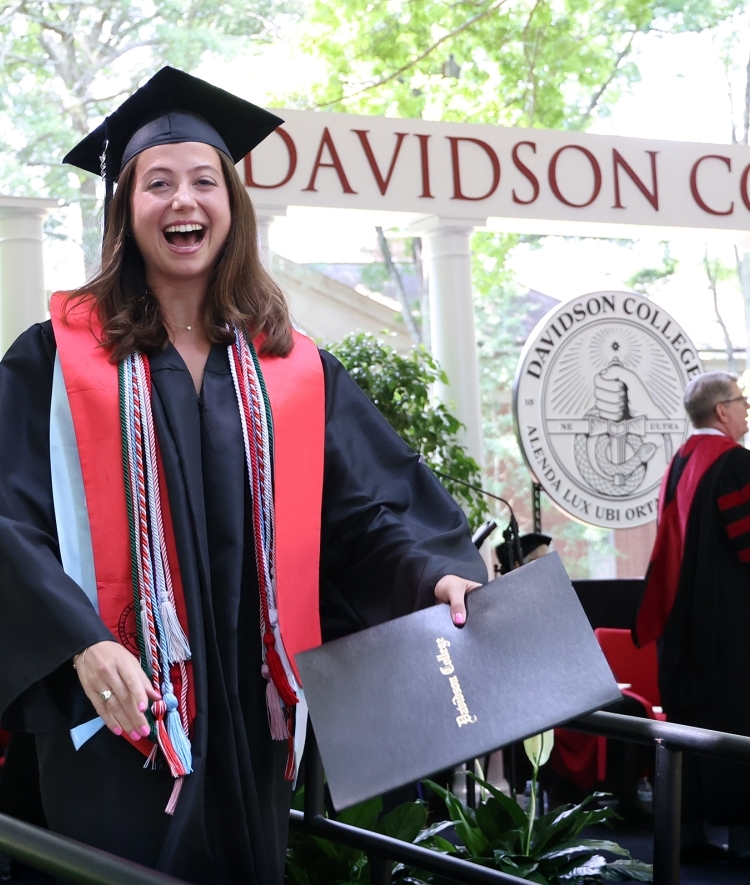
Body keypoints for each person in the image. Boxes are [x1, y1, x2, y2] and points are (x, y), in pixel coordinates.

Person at [0, 67, 486, 885]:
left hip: (253, 717)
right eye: (157, 183)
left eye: (203, 181)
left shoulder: (293, 371)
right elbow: (8, 521)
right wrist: (79, 642)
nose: (183, 201)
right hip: (119, 711)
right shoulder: (53, 360)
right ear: (125, 210)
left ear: (232, 206)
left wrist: (435, 575)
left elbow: (364, 513)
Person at [635, 370, 750, 866]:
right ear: (721, 411)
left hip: (682, 630)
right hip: (731, 630)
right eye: (742, 402)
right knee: (735, 723)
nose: (746, 410)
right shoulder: (734, 465)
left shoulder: (678, 464)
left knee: (690, 724)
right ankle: (744, 842)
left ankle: (692, 834)